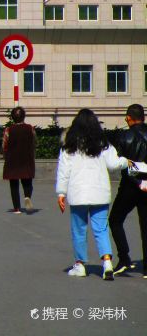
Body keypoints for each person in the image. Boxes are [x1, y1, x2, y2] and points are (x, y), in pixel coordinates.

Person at [56, 108, 131, 280]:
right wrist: (126, 162)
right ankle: (107, 263)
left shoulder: (70, 145)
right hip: (100, 193)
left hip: (78, 194)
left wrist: (61, 193)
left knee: (79, 230)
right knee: (101, 229)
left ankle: (80, 265)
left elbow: (63, 171)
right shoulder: (103, 143)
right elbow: (113, 164)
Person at [109, 103, 147, 277]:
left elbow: (120, 160)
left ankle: (124, 258)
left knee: (115, 219)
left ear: (128, 118)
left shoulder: (124, 136)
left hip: (130, 186)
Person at [2, 106, 36, 214]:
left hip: (12, 159)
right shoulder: (30, 128)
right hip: (26, 158)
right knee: (27, 181)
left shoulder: (8, 130)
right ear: (24, 117)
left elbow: (4, 145)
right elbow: (35, 142)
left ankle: (17, 208)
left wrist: (4, 153)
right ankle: (27, 196)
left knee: (14, 184)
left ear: (12, 117)